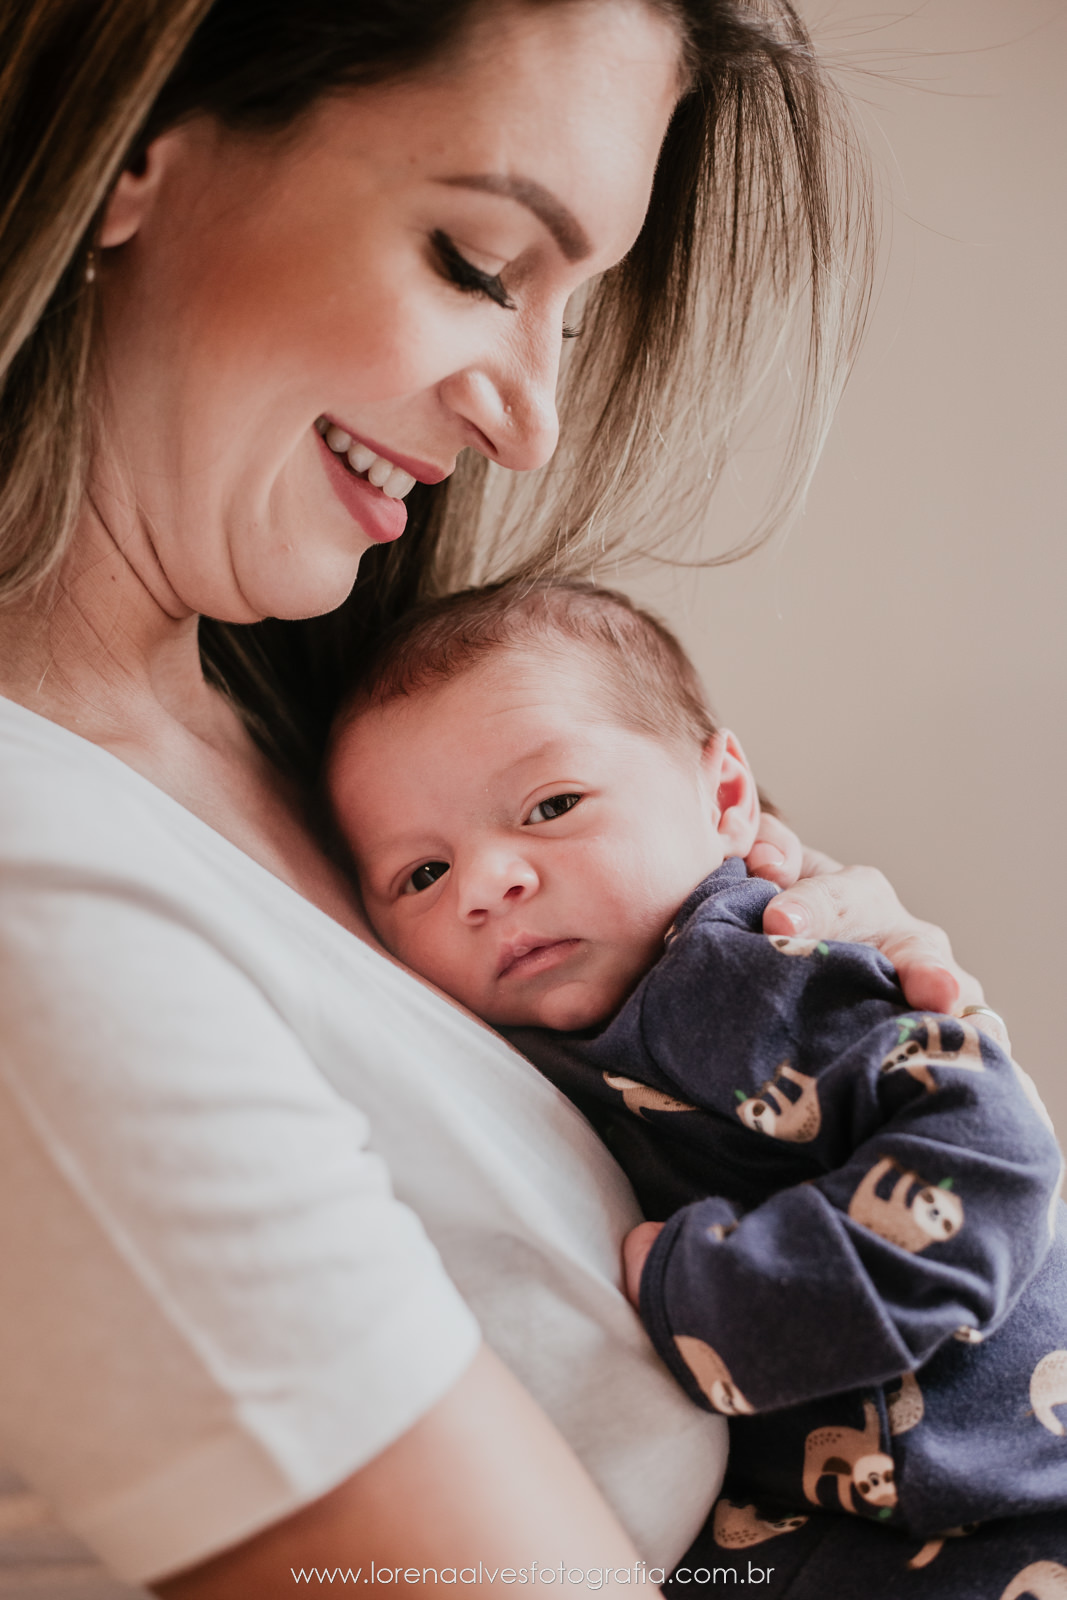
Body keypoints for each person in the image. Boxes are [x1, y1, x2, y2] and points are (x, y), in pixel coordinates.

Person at [0, 2, 990, 1596]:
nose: (527, 425)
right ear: (134, 151)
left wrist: (844, 1051)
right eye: (476, 264)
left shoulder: (348, 759)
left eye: (569, 324)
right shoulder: (35, 883)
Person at [327, 577, 1067, 1595]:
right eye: (422, 874)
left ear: (724, 799)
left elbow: (991, 1148)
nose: (487, 882)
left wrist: (729, 1300)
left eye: (552, 806)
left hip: (1016, 1496)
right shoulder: (515, 1046)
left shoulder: (746, 968)